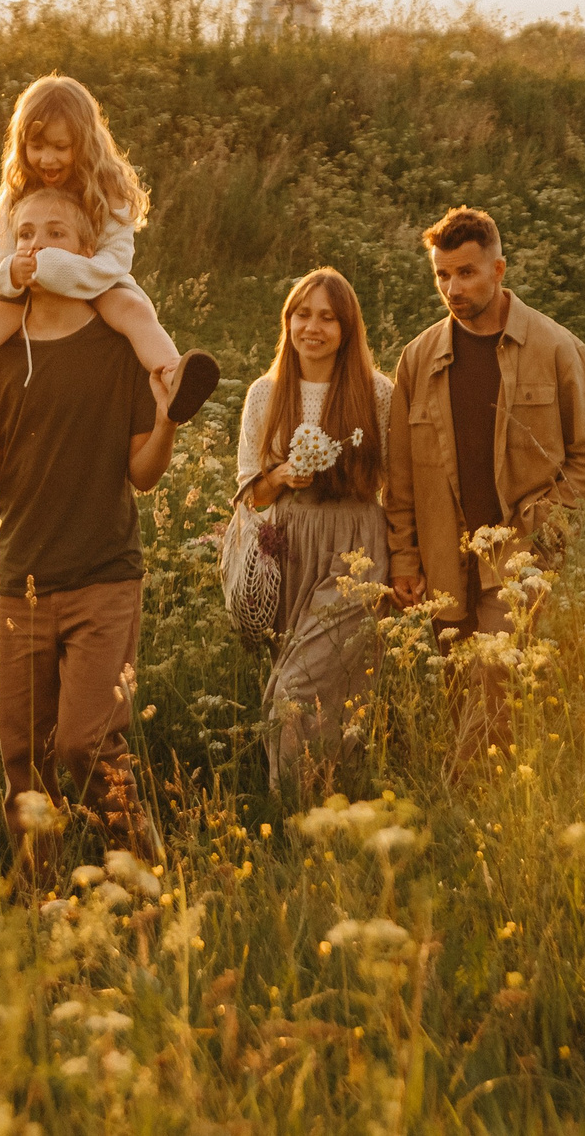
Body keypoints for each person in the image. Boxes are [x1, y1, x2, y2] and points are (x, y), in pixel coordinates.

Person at [0, 184, 179, 864]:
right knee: (24, 757)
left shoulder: (117, 347)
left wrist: (170, 414)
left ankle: (139, 870)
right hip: (19, 580)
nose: (36, 243)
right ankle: (37, 893)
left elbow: (142, 473)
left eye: (55, 230)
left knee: (85, 742)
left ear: (88, 251)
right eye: (24, 233)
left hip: (103, 575)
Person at [0, 74, 217, 471]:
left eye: (60, 147)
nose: (47, 159)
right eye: (37, 146)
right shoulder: (16, 190)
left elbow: (116, 261)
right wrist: (16, 274)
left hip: (96, 282)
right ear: (22, 145)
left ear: (84, 143)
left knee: (135, 311)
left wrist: (59, 269)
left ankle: (174, 378)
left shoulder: (109, 188)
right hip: (25, 286)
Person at [384, 207, 585, 753]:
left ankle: (484, 810)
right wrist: (403, 557)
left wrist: (538, 527)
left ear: (499, 269)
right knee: (456, 697)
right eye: (442, 274)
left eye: (466, 272)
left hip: (518, 560)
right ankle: (476, 814)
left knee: (494, 697)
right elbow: (399, 479)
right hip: (444, 561)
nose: (452, 288)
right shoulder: (418, 359)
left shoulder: (556, 348)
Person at [235, 267, 393, 796]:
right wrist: (280, 475)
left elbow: (400, 486)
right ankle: (328, 800)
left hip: (355, 550)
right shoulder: (265, 393)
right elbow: (248, 496)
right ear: (289, 320)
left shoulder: (378, 393)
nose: (314, 327)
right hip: (290, 547)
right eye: (303, 314)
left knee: (299, 689)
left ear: (347, 328)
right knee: (306, 685)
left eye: (328, 317)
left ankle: (293, 809)